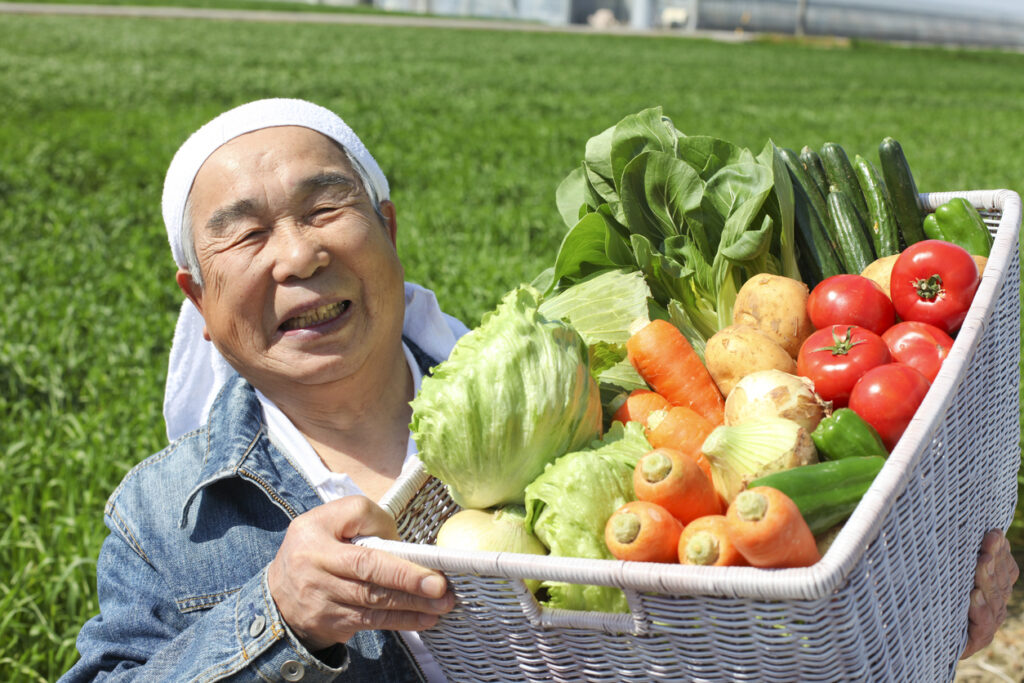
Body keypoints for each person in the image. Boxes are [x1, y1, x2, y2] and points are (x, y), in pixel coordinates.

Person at [62, 98, 1017, 681]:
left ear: (387, 228)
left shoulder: (573, 406)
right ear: (199, 294)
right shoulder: (167, 517)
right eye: (245, 235)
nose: (300, 254)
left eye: (327, 207)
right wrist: (277, 614)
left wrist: (934, 597)